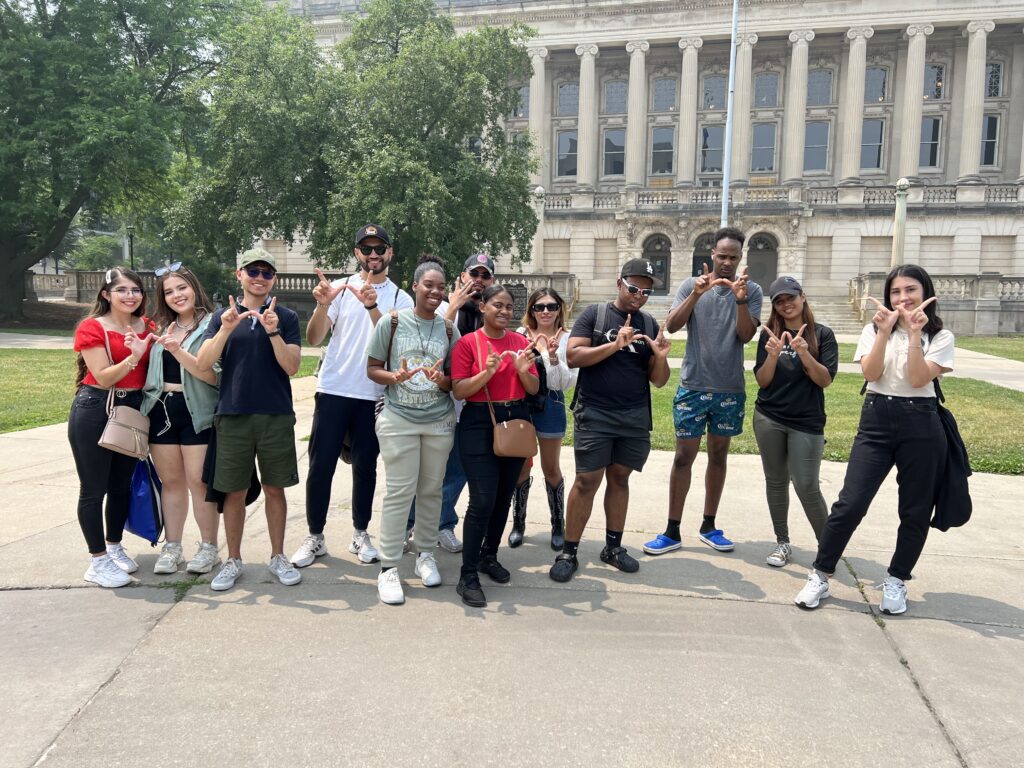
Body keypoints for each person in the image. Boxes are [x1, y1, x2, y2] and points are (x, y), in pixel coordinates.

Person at [795, 264, 953, 615]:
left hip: (922, 423)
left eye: (910, 290)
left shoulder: (940, 337)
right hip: (877, 420)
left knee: (914, 510)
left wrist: (914, 335)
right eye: (896, 292)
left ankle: (897, 580)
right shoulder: (872, 329)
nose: (903, 298)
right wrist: (884, 332)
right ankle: (820, 573)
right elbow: (870, 373)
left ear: (925, 292)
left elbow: (917, 379)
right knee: (850, 503)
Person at [291, 224, 413, 570]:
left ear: (389, 252)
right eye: (366, 249)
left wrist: (374, 308)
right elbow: (314, 339)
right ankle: (315, 536)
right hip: (334, 389)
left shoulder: (400, 297)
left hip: (372, 393)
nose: (373, 255)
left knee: (366, 467)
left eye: (380, 249)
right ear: (357, 252)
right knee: (321, 466)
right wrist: (321, 305)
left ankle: (360, 533)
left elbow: (392, 347)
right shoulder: (340, 289)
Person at [549, 260, 672, 583]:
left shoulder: (648, 322)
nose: (639, 295)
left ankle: (613, 548)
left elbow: (658, 381)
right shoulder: (595, 315)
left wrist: (660, 357)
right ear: (620, 283)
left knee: (620, 479)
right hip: (595, 412)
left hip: (633, 415)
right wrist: (614, 344)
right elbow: (574, 356)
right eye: (634, 288)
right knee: (587, 481)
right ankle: (569, 552)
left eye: (646, 291)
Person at [643, 227, 763, 557]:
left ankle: (709, 525)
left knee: (719, 455)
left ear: (741, 259)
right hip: (693, 385)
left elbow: (746, 335)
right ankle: (672, 529)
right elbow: (672, 325)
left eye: (733, 257)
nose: (726, 262)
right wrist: (696, 294)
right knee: (683, 457)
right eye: (722, 256)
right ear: (711, 254)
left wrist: (739, 299)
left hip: (729, 388)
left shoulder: (750, 290)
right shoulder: (690, 285)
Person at [196, 248, 303, 591]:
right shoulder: (221, 317)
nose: (259, 278)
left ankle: (277, 556)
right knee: (234, 491)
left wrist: (273, 331)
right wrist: (226, 329)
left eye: (267, 273)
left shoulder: (285, 317)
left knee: (275, 487)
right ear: (238, 274)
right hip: (233, 413)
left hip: (275, 414)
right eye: (253, 271)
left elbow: (292, 366)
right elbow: (203, 363)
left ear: (274, 279)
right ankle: (234, 559)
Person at [367, 258, 460, 604]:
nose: (436, 292)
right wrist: (395, 377)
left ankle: (425, 555)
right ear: (415, 286)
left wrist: (443, 380)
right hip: (399, 418)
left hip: (437, 420)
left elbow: (456, 380)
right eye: (429, 285)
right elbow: (373, 368)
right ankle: (389, 566)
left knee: (432, 490)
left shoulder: (449, 330)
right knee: (399, 491)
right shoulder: (392, 323)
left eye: (441, 286)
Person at [450, 285, 540, 607]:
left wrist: (522, 371)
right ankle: (468, 574)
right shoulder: (467, 344)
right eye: (497, 305)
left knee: (504, 497)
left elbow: (533, 387)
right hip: (478, 422)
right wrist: (486, 373)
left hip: (515, 420)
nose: (504, 311)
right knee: (483, 500)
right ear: (483, 306)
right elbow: (460, 391)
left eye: (509, 307)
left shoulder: (520, 343)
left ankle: (490, 556)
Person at [405, 253, 497, 552]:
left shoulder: (491, 311)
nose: (478, 281)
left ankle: (442, 525)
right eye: (474, 274)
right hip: (434, 401)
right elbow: (425, 348)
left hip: (471, 405)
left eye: (485, 276)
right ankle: (407, 526)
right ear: (462, 276)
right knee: (421, 473)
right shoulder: (441, 306)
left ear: (491, 281)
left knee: (457, 471)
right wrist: (454, 306)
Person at [70, 267, 154, 587]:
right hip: (96, 408)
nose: (130, 295)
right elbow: (103, 376)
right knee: (94, 489)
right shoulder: (92, 327)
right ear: (106, 295)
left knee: (121, 485)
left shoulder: (147, 326)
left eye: (136, 290)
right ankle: (97, 561)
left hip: (132, 409)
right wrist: (133, 357)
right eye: (122, 290)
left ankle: (114, 546)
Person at [142, 263, 222, 575]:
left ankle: (208, 548)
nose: (177, 295)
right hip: (161, 412)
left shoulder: (213, 326)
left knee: (198, 482)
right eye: (169, 291)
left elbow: (213, 377)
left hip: (197, 412)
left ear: (194, 288)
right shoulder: (161, 328)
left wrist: (178, 352)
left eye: (182, 288)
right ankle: (172, 547)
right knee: (171, 482)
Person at [752, 276, 838, 567]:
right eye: (779, 300)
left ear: (802, 297)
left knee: (807, 485)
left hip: (806, 422)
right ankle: (782, 542)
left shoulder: (822, 335)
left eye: (790, 297)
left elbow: (824, 380)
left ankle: (828, 550)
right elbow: (763, 382)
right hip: (769, 417)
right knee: (776, 482)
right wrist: (773, 355)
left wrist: (803, 352)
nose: (786, 304)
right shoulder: (769, 335)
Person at [508, 287, 577, 550]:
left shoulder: (569, 339)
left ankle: (558, 523)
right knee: (522, 467)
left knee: (551, 467)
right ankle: (518, 522)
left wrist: (552, 357)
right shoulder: (518, 336)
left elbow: (564, 384)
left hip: (552, 404)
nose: (545, 311)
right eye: (539, 307)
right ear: (532, 311)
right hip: (523, 406)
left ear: (560, 309)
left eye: (551, 306)